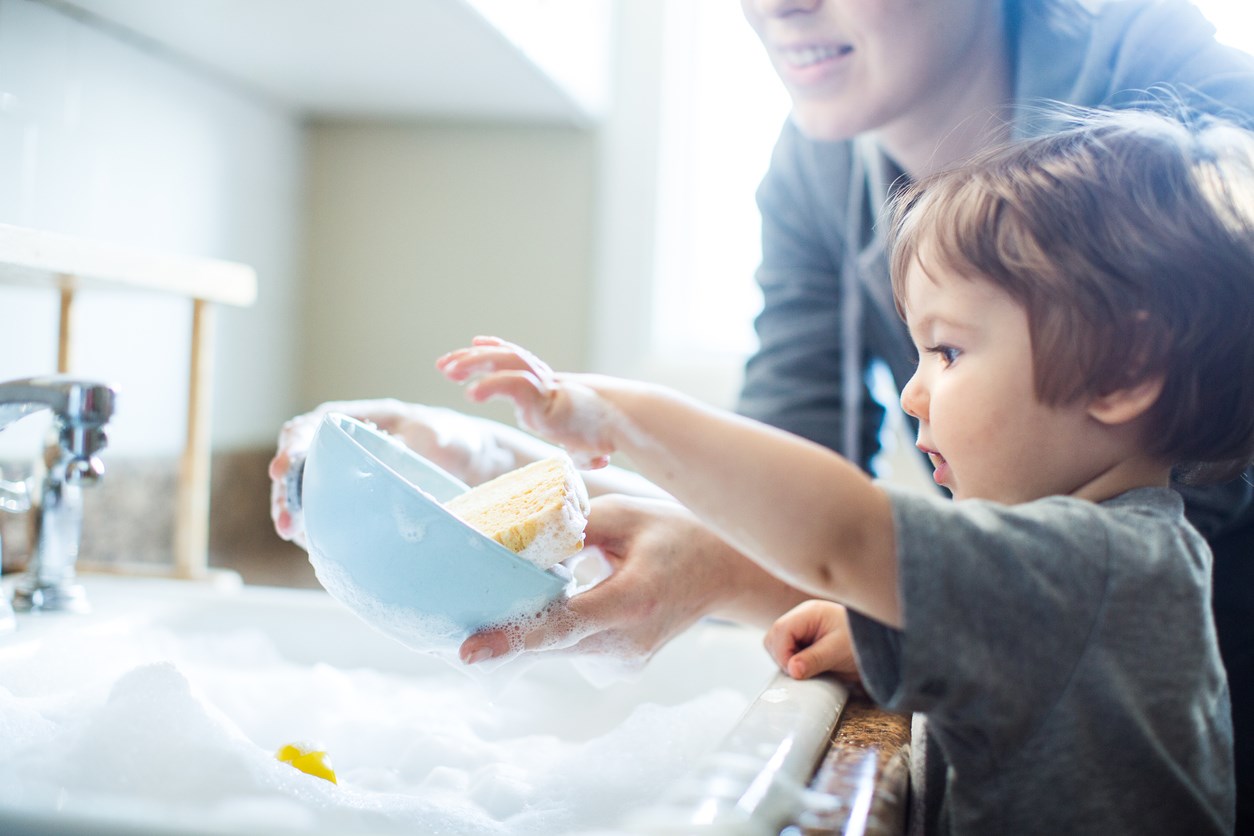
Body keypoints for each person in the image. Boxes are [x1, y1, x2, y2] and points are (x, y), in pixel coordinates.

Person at [270, 0, 1254, 824]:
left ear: (1126, 364)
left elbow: (830, 527)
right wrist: (501, 464)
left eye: (947, 350)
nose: (779, 3)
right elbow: (787, 492)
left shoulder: (1106, 564)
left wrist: (611, 413)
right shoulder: (817, 166)